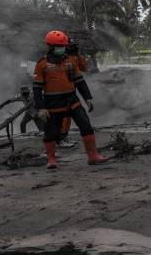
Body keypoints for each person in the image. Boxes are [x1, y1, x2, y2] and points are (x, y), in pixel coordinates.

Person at [32, 30, 108, 169]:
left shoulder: (71, 61)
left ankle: (93, 156)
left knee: (85, 125)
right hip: (53, 103)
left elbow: (80, 81)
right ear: (51, 47)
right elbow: (36, 88)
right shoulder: (42, 64)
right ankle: (51, 159)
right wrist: (41, 107)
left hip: (72, 100)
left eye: (63, 46)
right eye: (59, 46)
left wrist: (88, 98)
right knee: (51, 132)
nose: (62, 49)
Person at [55, 41, 89, 147]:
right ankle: (60, 139)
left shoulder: (55, 59)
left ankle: (62, 138)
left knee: (64, 117)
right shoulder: (72, 60)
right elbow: (84, 68)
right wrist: (79, 55)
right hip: (66, 93)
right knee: (65, 117)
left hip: (58, 93)